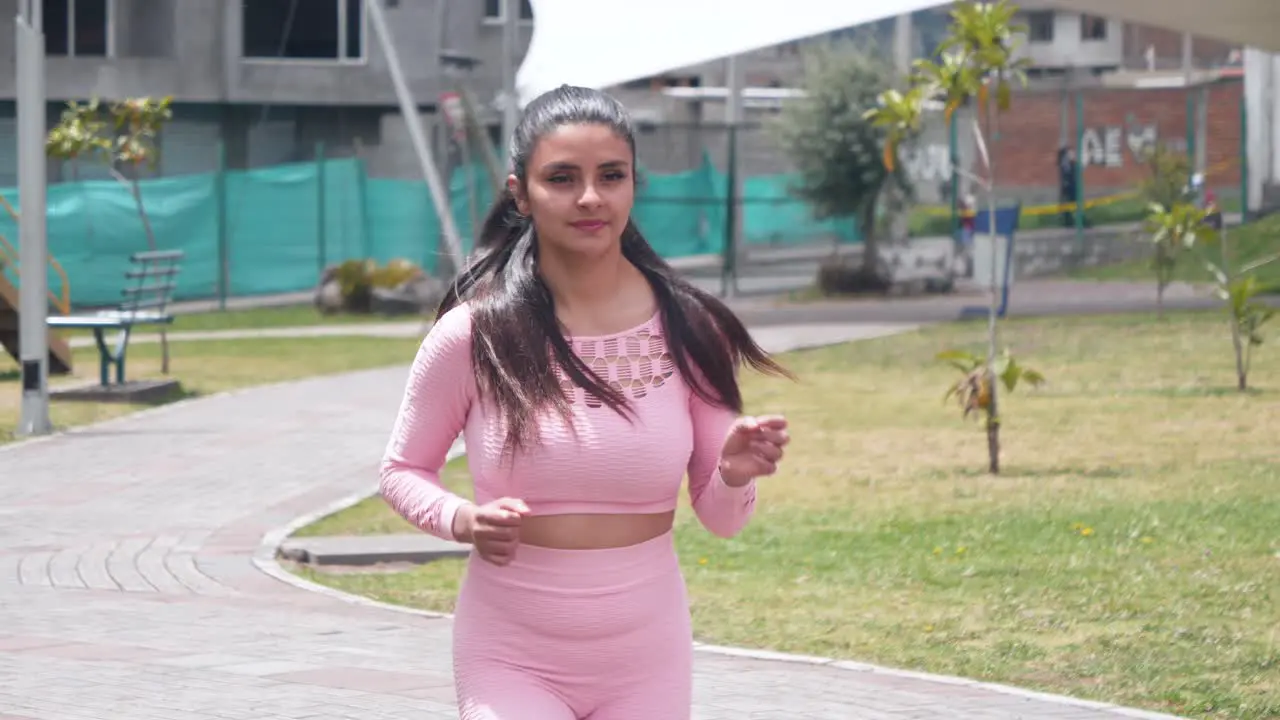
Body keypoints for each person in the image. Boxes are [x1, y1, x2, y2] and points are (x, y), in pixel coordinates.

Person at [379, 84, 794, 720]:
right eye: (563, 178)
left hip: (645, 661)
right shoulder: (474, 332)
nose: (591, 197)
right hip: (509, 655)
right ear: (520, 193)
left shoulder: (689, 327)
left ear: (634, 184)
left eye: (611, 176)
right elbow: (402, 471)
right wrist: (463, 520)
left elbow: (723, 518)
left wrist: (734, 472)